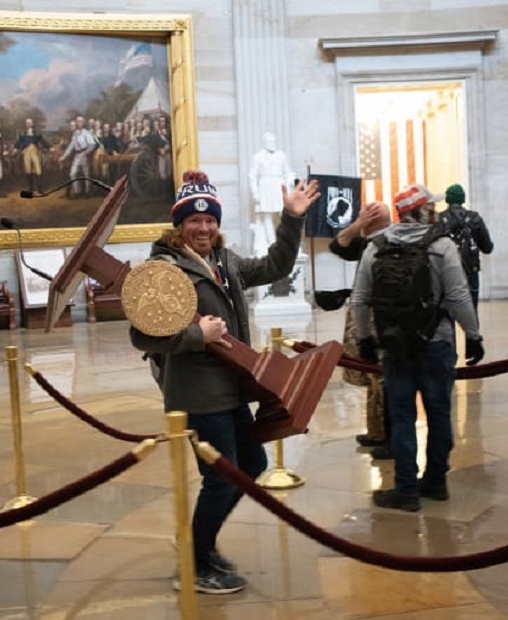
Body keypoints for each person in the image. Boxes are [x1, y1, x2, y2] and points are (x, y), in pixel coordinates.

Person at [130, 170, 320, 594]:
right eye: (194, 221)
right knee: (222, 476)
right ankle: (194, 563)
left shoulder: (225, 260)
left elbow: (276, 265)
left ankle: (201, 544)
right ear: (180, 225)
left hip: (232, 387)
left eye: (210, 219)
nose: (203, 227)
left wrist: (290, 219)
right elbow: (142, 334)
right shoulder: (163, 269)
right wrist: (199, 335)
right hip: (198, 393)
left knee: (251, 466)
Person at [351, 183, 483, 512]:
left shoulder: (376, 246)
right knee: (439, 413)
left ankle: (406, 489)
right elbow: (458, 296)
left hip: (395, 346)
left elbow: (360, 299)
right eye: (431, 207)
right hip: (436, 343)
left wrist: (365, 339)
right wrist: (474, 334)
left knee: (402, 416)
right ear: (423, 212)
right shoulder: (442, 246)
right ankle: (436, 481)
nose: (435, 211)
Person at [329, 201, 393, 457]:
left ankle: (390, 438)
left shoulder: (389, 242)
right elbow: (338, 244)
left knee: (381, 379)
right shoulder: (367, 242)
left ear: (372, 220)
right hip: (367, 317)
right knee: (373, 377)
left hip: (380, 321)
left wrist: (360, 224)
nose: (358, 218)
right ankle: (377, 432)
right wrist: (359, 225)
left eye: (363, 216)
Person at [438, 183, 494, 314]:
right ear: (462, 198)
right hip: (470, 270)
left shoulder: (439, 219)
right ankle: (472, 334)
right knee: (472, 313)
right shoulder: (475, 218)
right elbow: (487, 248)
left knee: (447, 315)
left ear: (448, 199)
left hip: (447, 271)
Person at [249, 132, 295, 255]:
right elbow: (253, 176)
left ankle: (283, 239)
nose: (272, 144)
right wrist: (255, 193)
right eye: (270, 142)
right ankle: (271, 241)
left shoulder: (281, 156)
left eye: (274, 142)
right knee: (267, 216)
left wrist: (289, 185)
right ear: (264, 143)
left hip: (278, 186)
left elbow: (287, 172)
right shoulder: (258, 157)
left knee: (282, 214)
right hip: (265, 186)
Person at [60, 116, 97, 198]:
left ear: (83, 123)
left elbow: (92, 145)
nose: (79, 123)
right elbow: (71, 147)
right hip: (77, 156)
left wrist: (86, 152)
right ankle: (77, 192)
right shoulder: (75, 134)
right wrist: (63, 157)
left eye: (80, 121)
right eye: (77, 121)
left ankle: (87, 193)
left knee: (86, 175)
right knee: (72, 174)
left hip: (84, 156)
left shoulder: (86, 133)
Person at [14, 118, 51, 194]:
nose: (28, 124)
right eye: (27, 123)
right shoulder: (23, 133)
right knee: (28, 169)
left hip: (34, 152)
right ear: (26, 124)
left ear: (32, 124)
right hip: (26, 152)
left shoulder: (36, 133)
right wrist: (16, 148)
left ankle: (39, 189)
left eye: (30, 123)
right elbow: (19, 142)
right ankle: (30, 189)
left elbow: (42, 141)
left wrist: (49, 147)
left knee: (38, 169)